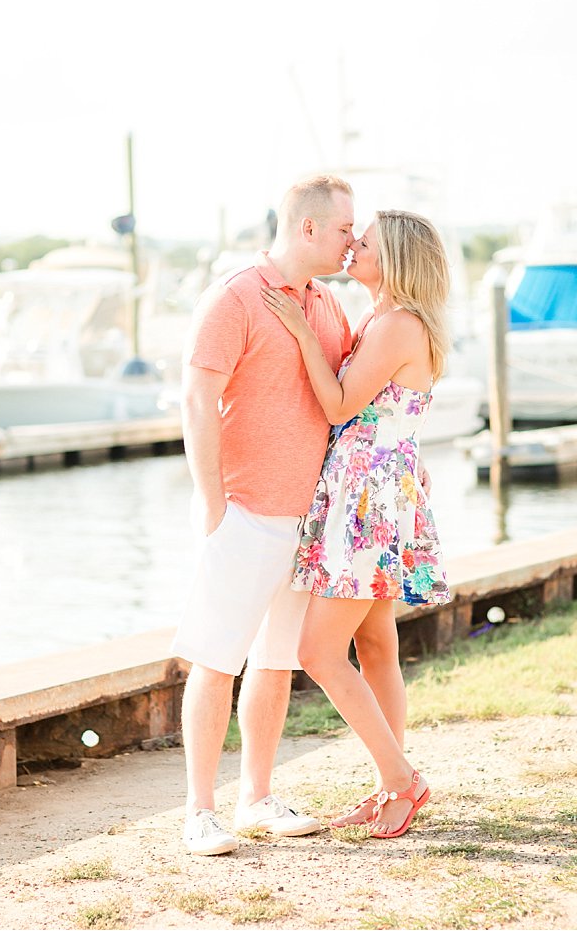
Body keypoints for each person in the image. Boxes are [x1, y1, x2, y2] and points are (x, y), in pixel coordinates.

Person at [171, 174, 356, 856]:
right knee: (217, 661)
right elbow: (197, 400)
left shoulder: (327, 305)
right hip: (244, 511)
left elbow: (343, 393)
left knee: (275, 663)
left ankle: (257, 795)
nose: (351, 240)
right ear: (306, 228)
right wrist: (213, 501)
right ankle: (199, 811)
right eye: (343, 229)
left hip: (307, 519)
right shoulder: (235, 295)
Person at [262, 208, 454, 840]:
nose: (352, 248)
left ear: (393, 257)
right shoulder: (384, 318)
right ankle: (389, 788)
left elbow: (343, 404)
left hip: (367, 501)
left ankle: (402, 781)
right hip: (373, 491)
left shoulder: (397, 323)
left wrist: (300, 331)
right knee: (373, 648)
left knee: (318, 650)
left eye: (364, 242)